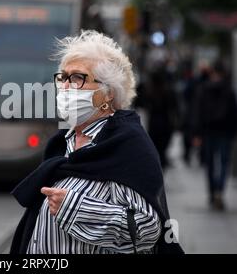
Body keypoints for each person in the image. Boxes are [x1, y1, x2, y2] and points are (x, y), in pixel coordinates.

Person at [10, 30, 184, 254]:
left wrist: (76, 208)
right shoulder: (62, 144)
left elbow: (148, 230)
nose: (65, 86)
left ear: (108, 93)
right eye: (63, 77)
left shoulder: (127, 146)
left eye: (77, 78)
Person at [192, 61, 237, 211]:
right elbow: (233, 113)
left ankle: (212, 192)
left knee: (210, 164)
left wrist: (197, 133)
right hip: (224, 132)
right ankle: (219, 190)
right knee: (224, 163)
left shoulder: (204, 89)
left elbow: (198, 112)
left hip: (208, 131)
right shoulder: (228, 89)